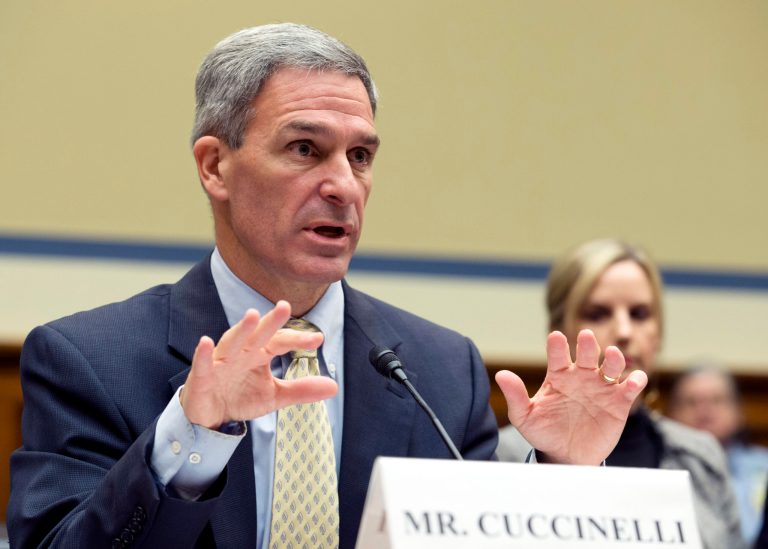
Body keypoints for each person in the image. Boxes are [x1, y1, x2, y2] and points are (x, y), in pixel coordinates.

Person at [8, 25, 646, 548]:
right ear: (215, 166)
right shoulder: (88, 360)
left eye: (360, 156)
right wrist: (193, 435)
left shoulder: (441, 371)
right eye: (305, 149)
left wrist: (561, 477)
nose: (343, 185)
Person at [497, 238, 746, 549]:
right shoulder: (502, 455)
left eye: (640, 314)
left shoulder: (702, 455)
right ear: (558, 329)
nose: (625, 332)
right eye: (598, 313)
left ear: (658, 334)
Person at [668, 366, 768, 545]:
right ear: (671, 414)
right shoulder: (660, 469)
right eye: (691, 402)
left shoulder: (764, 466)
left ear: (739, 411)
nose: (704, 411)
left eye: (717, 400)